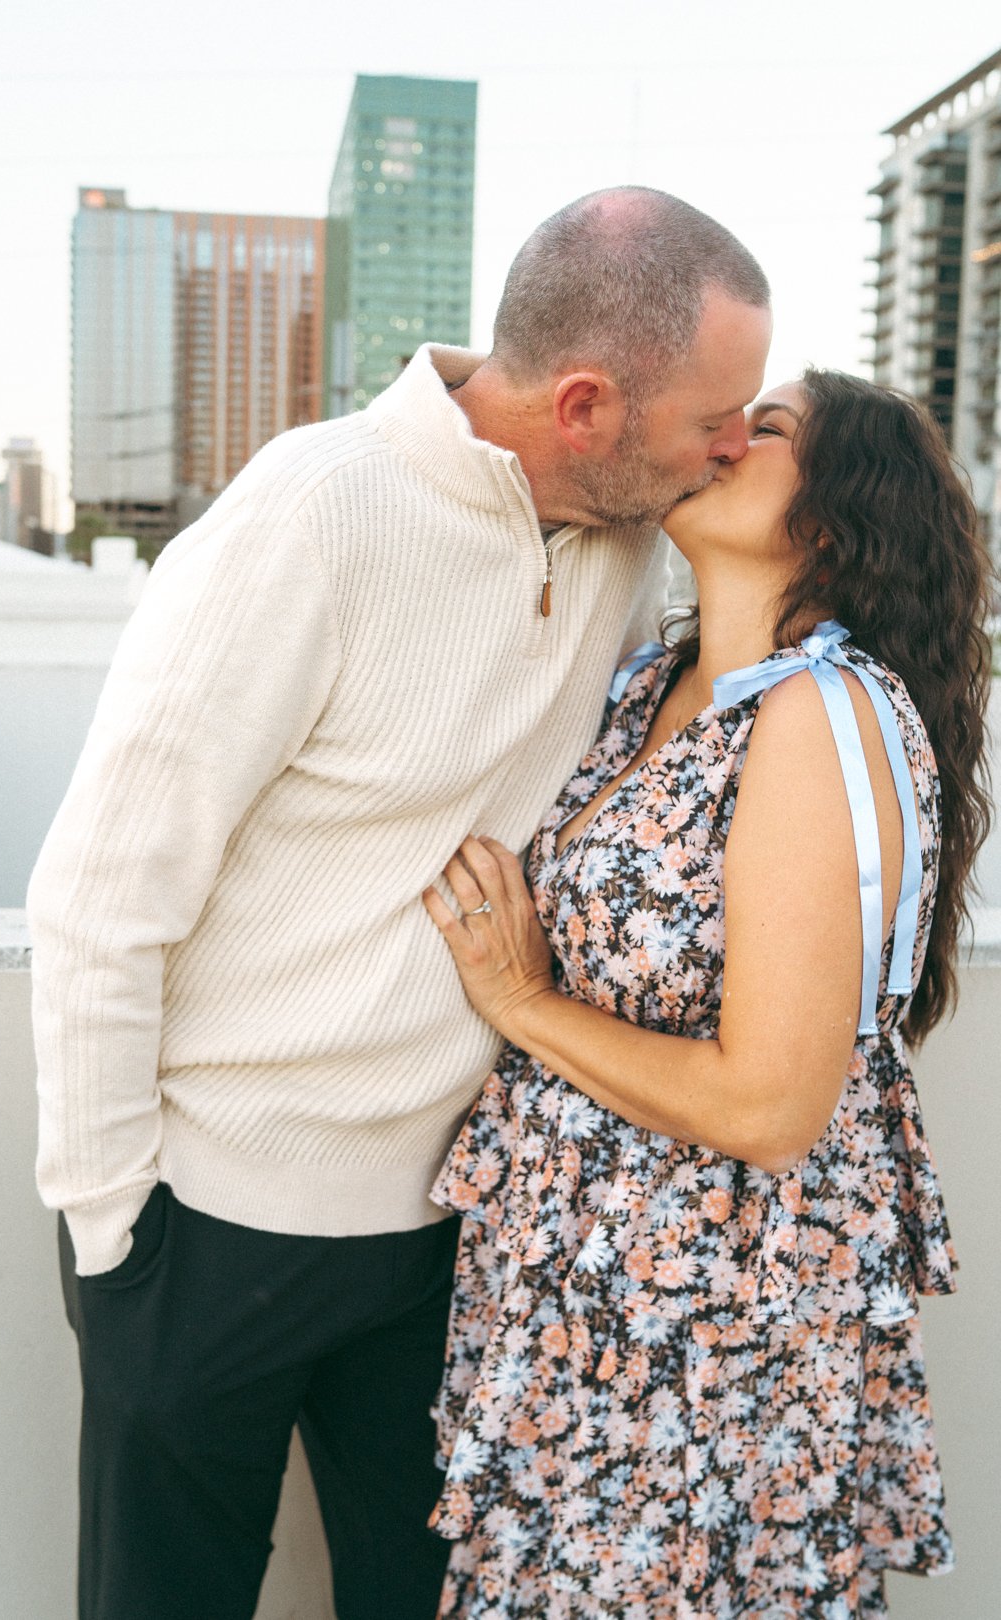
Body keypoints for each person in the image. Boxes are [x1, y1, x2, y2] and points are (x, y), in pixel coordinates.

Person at [26, 186, 772, 1620]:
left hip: (451, 1234)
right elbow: (104, 899)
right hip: (206, 1225)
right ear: (585, 406)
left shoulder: (627, 544)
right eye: (715, 421)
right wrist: (118, 1235)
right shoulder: (308, 516)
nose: (735, 448)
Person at [423, 368, 994, 1618]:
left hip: (711, 1317)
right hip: (581, 1290)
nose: (731, 435)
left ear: (838, 519)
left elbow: (772, 1107)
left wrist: (523, 1006)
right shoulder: (651, 688)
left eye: (772, 428)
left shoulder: (824, 716)